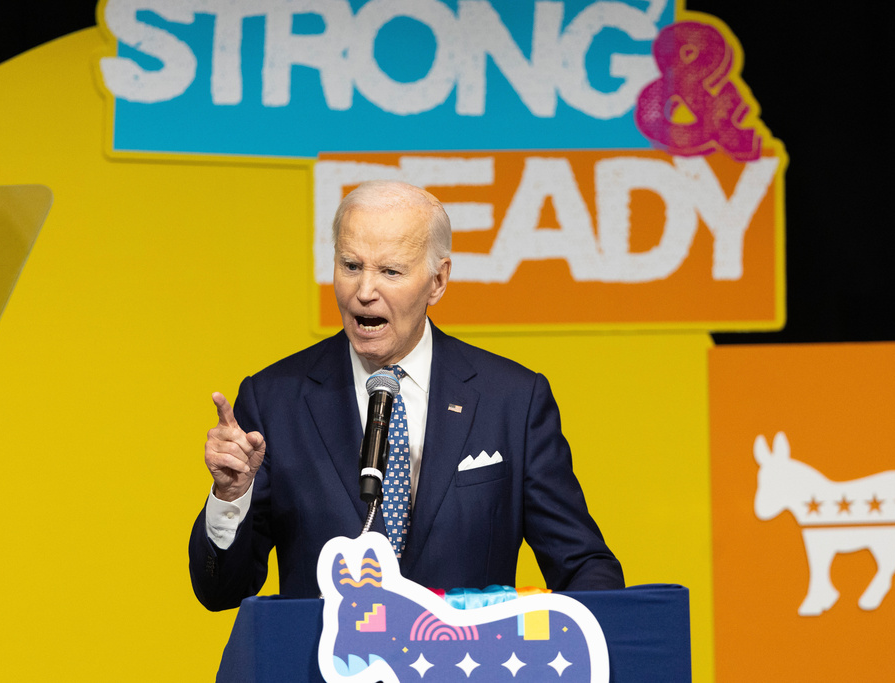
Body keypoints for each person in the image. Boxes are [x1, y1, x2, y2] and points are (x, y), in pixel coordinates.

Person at [189, 181, 624, 611]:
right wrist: (231, 497)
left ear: (437, 281)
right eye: (351, 265)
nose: (364, 291)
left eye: (390, 271)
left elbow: (582, 563)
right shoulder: (274, 399)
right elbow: (222, 592)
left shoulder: (512, 400)